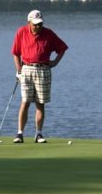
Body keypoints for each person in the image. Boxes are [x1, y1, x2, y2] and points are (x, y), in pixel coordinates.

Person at [11, 9, 68, 143]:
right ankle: (20, 133)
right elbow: (15, 53)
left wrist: (55, 62)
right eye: (35, 24)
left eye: (40, 24)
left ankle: (38, 134)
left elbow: (62, 48)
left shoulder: (48, 33)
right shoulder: (21, 32)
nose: (38, 26)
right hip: (26, 69)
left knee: (40, 103)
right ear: (29, 22)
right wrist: (19, 70)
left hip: (43, 70)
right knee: (25, 102)